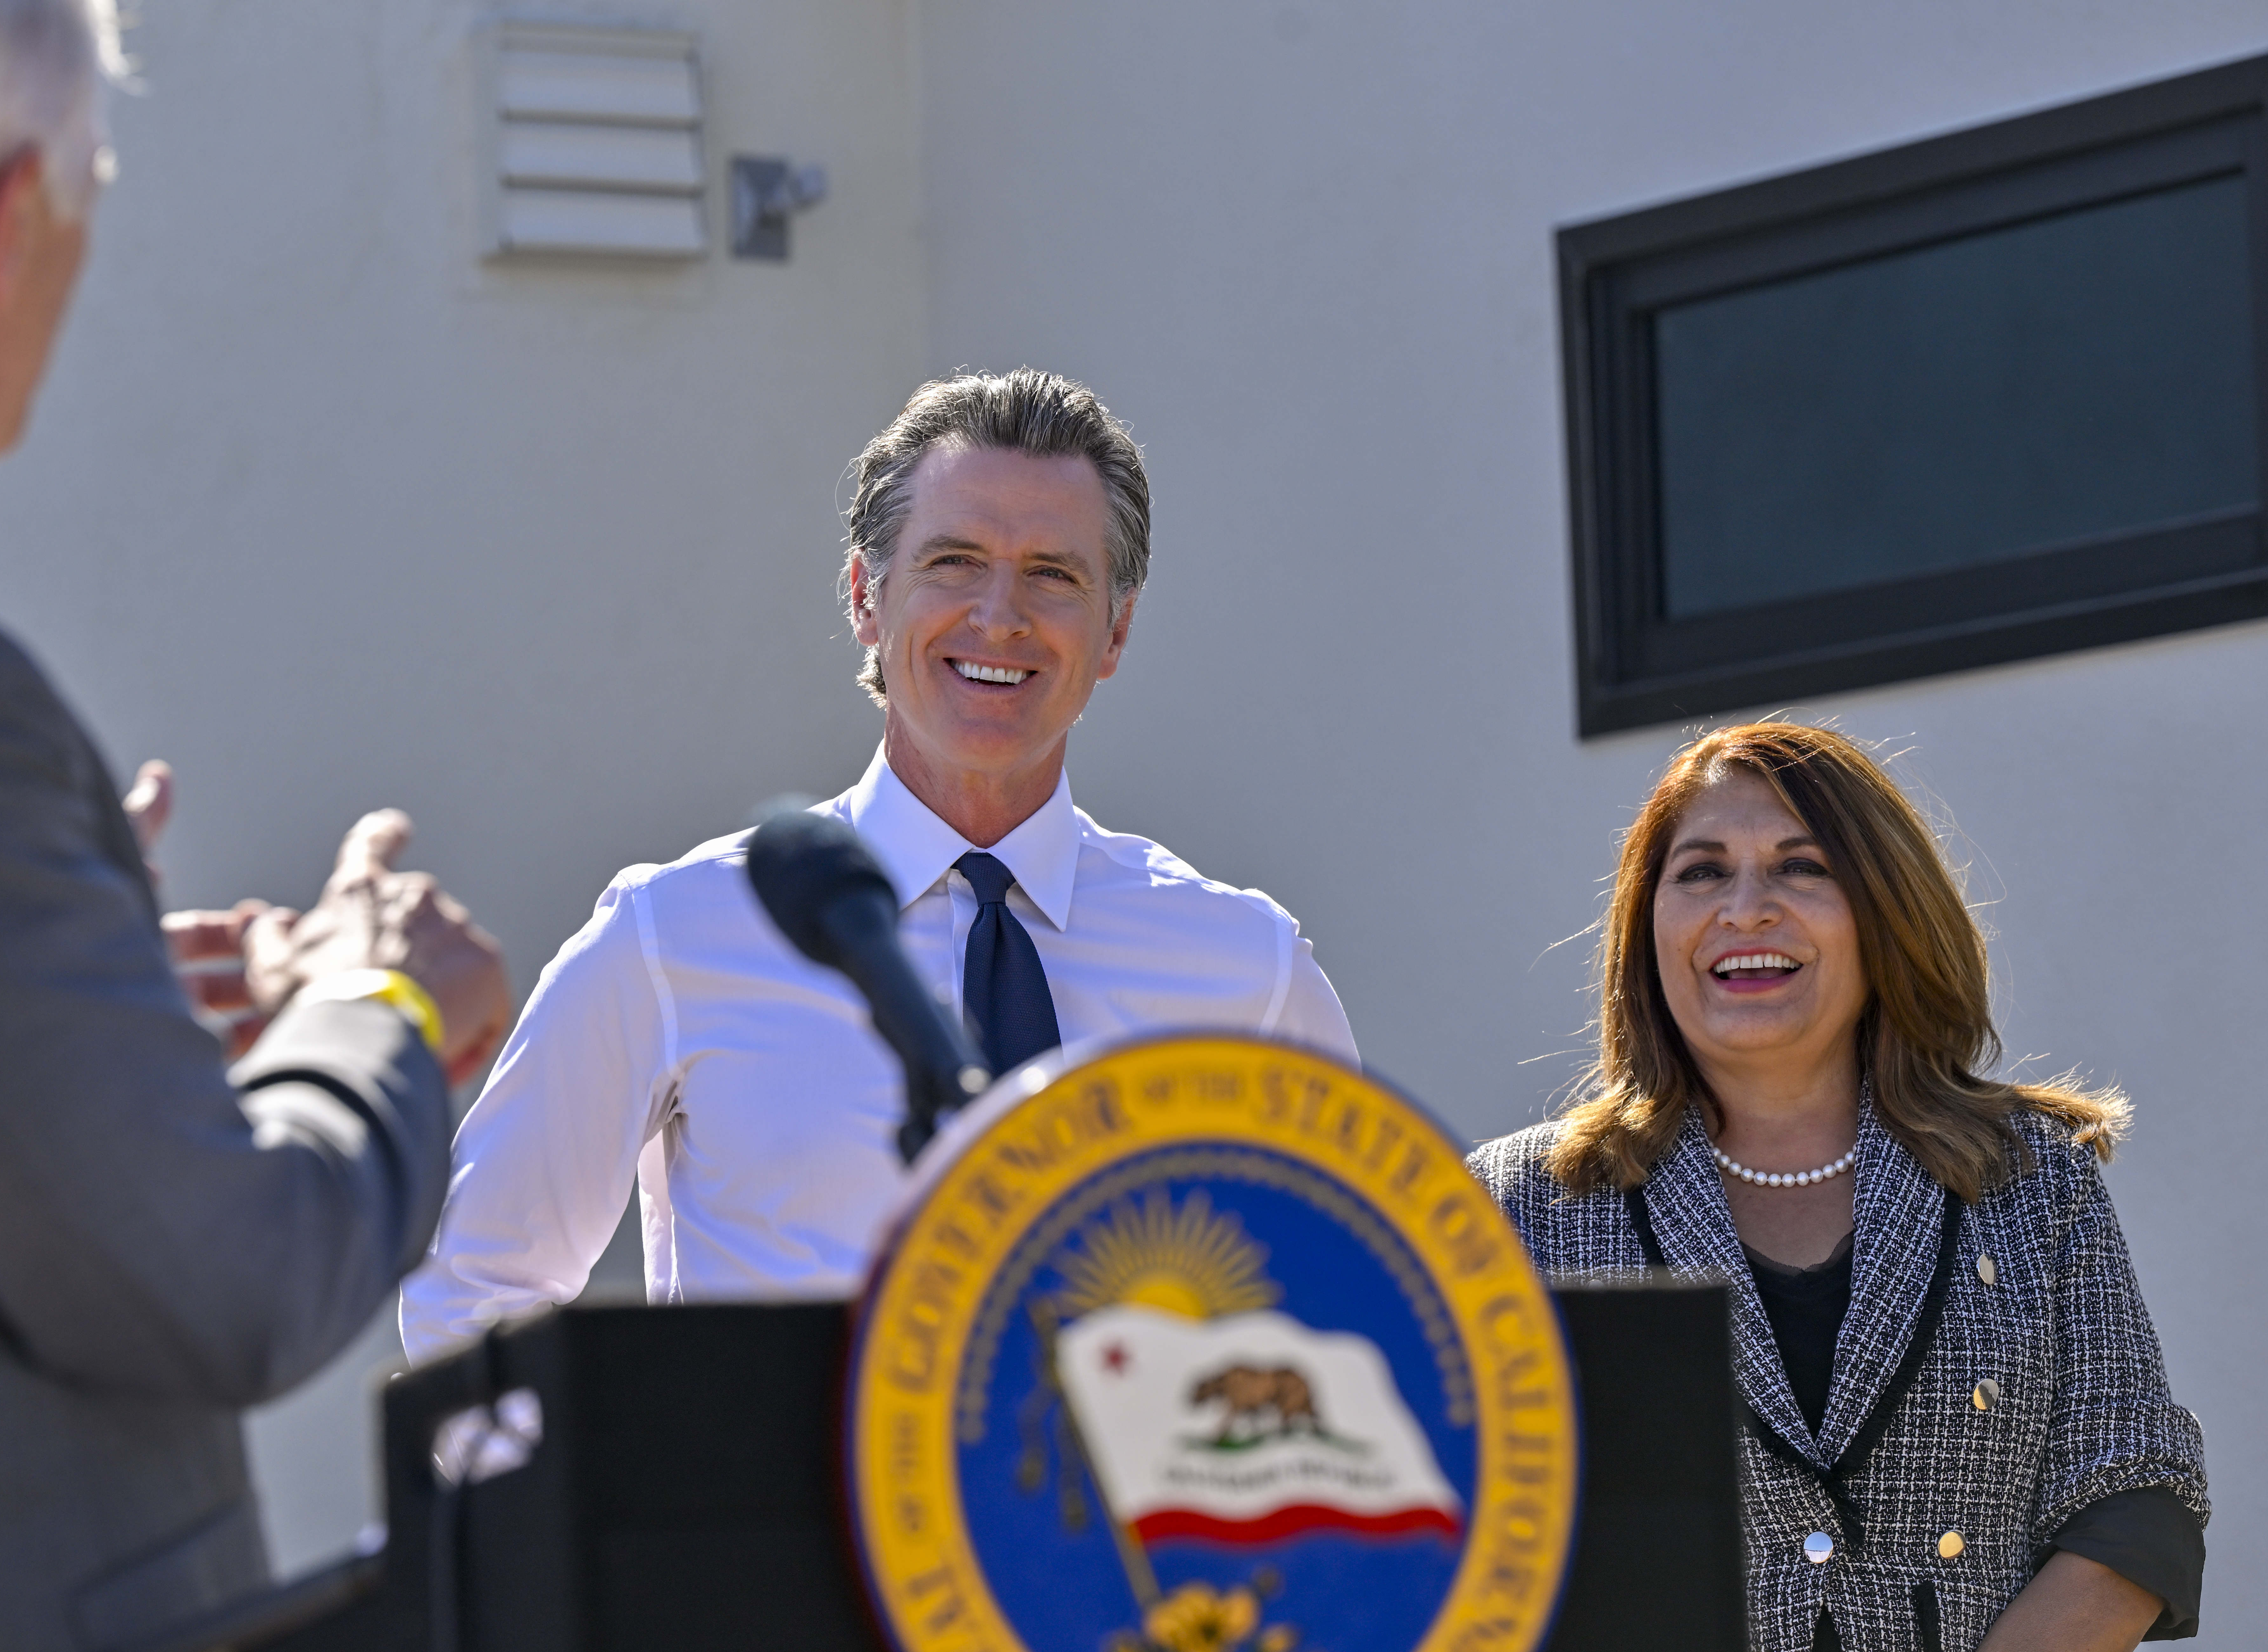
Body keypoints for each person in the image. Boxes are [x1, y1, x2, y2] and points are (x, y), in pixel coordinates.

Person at [0, 3, 510, 1647]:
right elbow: (225, 1281)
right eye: (91, 185)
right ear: (11, 220)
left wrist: (62, 991)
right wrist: (380, 1003)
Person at [401, 369, 1355, 1354]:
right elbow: (473, 1291)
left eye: (1054, 574)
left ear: (1114, 630)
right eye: (952, 561)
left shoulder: (1248, 969)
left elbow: (1355, 1297)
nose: (1000, 614)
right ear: (865, 597)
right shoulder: (674, 933)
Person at [1470, 723, 2204, 1652]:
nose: (1745, 908)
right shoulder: (1514, 1205)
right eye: (1700, 872)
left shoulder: (2030, 1175)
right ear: (1645, 921)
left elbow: (2134, 1496)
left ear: (1882, 910)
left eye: (1800, 867)